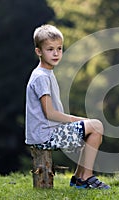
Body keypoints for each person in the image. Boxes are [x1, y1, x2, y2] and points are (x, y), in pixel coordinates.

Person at [25, 24, 110, 189]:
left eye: (59, 48)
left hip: (46, 132)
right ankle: (86, 177)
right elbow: (49, 113)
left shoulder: (46, 73)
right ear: (39, 52)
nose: (56, 53)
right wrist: (78, 120)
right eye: (50, 49)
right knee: (96, 126)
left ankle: (80, 178)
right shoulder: (41, 77)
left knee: (94, 128)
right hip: (45, 135)